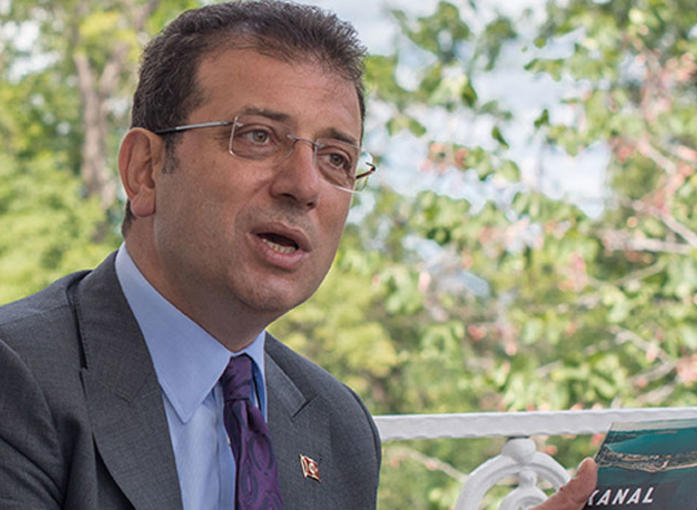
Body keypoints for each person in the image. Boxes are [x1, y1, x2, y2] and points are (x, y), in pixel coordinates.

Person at [0, 1, 596, 509]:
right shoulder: (18, 377)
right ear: (146, 170)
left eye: (336, 159)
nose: (305, 186)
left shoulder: (338, 425)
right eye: (258, 136)